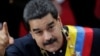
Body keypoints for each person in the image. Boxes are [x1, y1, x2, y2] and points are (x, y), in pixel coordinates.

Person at [0, 0, 100, 56]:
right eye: (38, 32)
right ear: (31, 33)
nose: (47, 37)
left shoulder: (94, 37)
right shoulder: (20, 48)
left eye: (51, 27)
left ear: (59, 22)